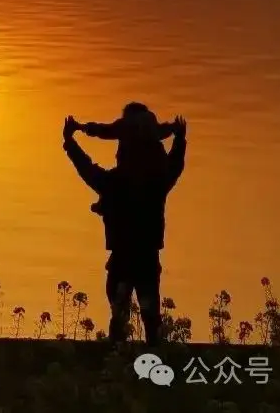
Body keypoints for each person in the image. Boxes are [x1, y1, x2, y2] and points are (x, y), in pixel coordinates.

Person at [62, 111, 187, 344]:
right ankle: (154, 364)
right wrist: (179, 140)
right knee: (151, 317)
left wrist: (70, 142)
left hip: (122, 260)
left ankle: (116, 361)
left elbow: (87, 169)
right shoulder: (156, 183)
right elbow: (175, 165)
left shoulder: (113, 183)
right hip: (147, 260)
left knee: (119, 315)